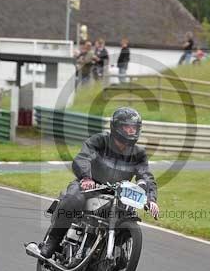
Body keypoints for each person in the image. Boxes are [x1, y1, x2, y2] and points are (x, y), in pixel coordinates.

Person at [34, 107, 159, 259]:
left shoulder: (139, 154)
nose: (131, 131)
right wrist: (87, 178)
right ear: (116, 127)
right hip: (90, 186)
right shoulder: (100, 141)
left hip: (117, 193)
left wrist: (151, 199)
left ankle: (112, 253)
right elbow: (82, 158)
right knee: (73, 199)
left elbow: (145, 176)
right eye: (127, 127)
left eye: (134, 127)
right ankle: (52, 241)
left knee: (127, 213)